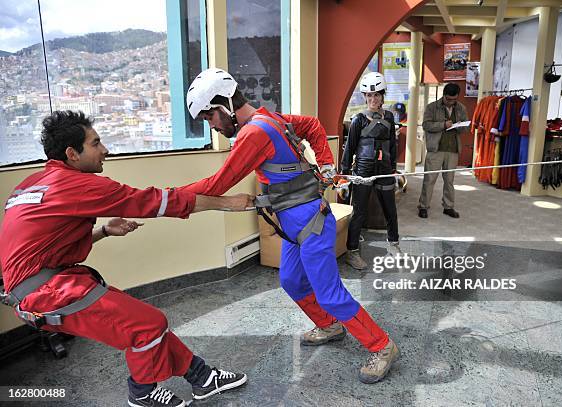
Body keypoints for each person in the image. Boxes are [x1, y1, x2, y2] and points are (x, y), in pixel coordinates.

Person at [0, 111, 253, 407]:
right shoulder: (75, 185)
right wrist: (226, 204)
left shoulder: (31, 185)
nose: (105, 150)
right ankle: (142, 393)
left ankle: (202, 377)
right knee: (147, 325)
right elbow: (154, 201)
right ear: (72, 153)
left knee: (144, 322)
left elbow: (45, 245)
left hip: (39, 285)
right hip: (46, 293)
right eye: (96, 144)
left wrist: (104, 231)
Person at [180, 68, 400, 384]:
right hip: (295, 225)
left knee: (329, 293)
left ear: (222, 105)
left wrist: (166, 197)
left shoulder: (254, 133)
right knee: (292, 281)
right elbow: (311, 124)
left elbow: (217, 183)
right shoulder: (269, 120)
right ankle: (330, 325)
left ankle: (382, 346)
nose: (212, 125)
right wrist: (324, 163)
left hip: (311, 222)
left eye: (209, 117)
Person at [340, 72, 401, 270]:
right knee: (359, 212)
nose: (373, 99)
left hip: (384, 169)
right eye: (369, 96)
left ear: (383, 96)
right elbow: (349, 148)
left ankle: (393, 245)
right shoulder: (358, 120)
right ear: (365, 97)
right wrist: (344, 173)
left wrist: (394, 169)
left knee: (390, 210)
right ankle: (352, 251)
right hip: (363, 170)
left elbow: (392, 144)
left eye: (376, 95)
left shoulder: (390, 117)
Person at [418, 83, 468, 219]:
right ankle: (423, 206)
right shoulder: (432, 107)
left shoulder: (461, 108)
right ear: (444, 95)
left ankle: (448, 207)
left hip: (453, 150)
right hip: (435, 149)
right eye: (448, 99)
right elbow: (426, 125)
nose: (451, 102)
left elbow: (465, 127)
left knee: (449, 181)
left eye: (454, 99)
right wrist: (443, 125)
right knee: (429, 180)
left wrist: (460, 126)